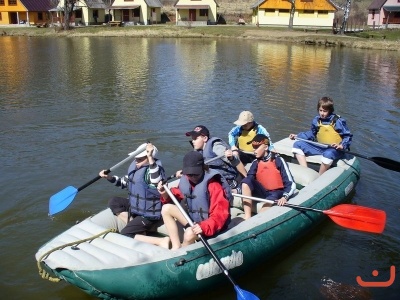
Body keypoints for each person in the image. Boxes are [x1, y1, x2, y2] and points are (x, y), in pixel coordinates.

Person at [99, 142, 170, 248]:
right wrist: (109, 177)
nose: (136, 161)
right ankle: (137, 227)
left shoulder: (154, 171)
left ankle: (161, 241)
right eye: (136, 158)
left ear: (150, 159)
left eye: (140, 159)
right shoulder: (136, 168)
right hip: (136, 207)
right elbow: (124, 183)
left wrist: (150, 157)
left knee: (125, 233)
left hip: (149, 214)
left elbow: (156, 180)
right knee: (114, 201)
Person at [157, 151, 232, 250]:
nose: (192, 177)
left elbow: (220, 214)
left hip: (210, 226)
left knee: (189, 233)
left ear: (202, 168)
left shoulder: (213, 185)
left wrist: (204, 227)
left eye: (195, 174)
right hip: (194, 222)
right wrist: (164, 193)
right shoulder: (186, 180)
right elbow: (177, 194)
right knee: (166, 208)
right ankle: (176, 246)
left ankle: (183, 251)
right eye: (189, 174)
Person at [289, 96, 353, 175]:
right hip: (320, 147)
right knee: (297, 145)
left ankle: (319, 176)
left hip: (335, 150)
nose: (322, 113)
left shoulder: (337, 121)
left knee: (328, 154)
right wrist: (297, 136)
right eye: (320, 110)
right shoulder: (317, 120)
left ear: (330, 110)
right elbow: (312, 133)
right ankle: (306, 172)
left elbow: (348, 136)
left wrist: (342, 146)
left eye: (325, 111)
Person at [240, 134, 296, 220]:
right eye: (253, 147)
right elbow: (249, 179)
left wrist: (285, 197)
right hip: (262, 191)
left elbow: (290, 182)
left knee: (269, 200)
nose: (254, 150)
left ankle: (258, 220)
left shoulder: (278, 160)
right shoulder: (255, 162)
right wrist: (239, 189)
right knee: (245, 181)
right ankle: (247, 216)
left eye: (256, 147)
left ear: (266, 147)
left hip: (276, 192)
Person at [183, 125, 243, 189]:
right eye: (192, 138)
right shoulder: (198, 150)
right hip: (213, 180)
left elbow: (235, 161)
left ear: (205, 138)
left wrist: (231, 157)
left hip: (228, 182)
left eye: (195, 138)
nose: (193, 141)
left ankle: (238, 189)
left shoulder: (216, 146)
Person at [228, 110, 274, 175]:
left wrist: (272, 149)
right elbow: (230, 134)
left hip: (255, 155)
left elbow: (268, 140)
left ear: (250, 122)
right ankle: (238, 173)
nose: (243, 126)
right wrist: (232, 145)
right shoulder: (239, 128)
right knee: (234, 153)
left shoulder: (260, 129)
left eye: (245, 125)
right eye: (242, 124)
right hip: (243, 153)